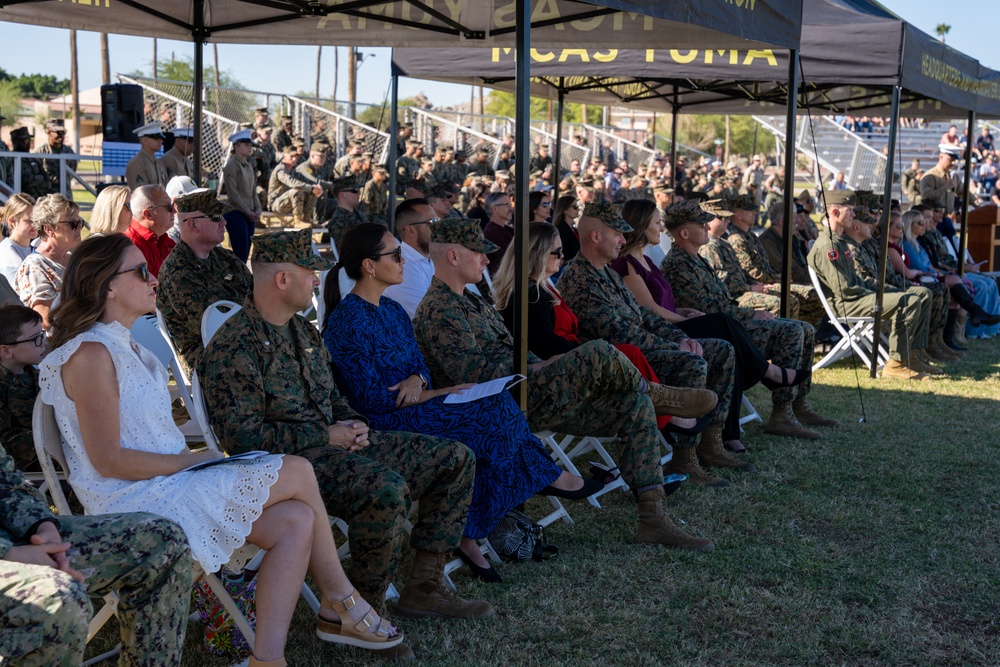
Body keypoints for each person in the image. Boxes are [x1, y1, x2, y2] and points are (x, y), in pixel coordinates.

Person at [40, 234, 407, 666]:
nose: (154, 277)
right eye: (141, 271)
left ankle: (268, 658)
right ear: (107, 286)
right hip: (129, 500)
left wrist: (192, 466)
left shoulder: (127, 346)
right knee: (298, 472)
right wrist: (193, 462)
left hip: (167, 483)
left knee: (297, 519)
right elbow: (108, 460)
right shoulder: (90, 354)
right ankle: (341, 600)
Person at [201, 229, 493, 626]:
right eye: (310, 272)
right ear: (282, 279)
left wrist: (350, 422)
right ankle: (354, 609)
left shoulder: (302, 332)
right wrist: (327, 435)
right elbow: (243, 441)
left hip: (338, 444)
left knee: (454, 458)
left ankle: (424, 585)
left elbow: (330, 395)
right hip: (286, 468)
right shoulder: (235, 345)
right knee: (385, 489)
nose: (318, 280)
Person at [414, 217, 716, 551]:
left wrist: (539, 364)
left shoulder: (470, 299)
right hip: (503, 407)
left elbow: (514, 351)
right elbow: (475, 375)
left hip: (530, 390)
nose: (487, 259)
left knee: (634, 404)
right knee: (600, 351)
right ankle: (661, 395)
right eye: (478, 253)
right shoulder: (440, 308)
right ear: (453, 257)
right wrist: (543, 365)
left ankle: (653, 517)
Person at [324, 223, 601, 580]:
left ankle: (473, 529)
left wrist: (419, 379)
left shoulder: (391, 311)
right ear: (369, 266)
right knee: (488, 419)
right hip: (385, 423)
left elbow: (418, 366)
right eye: (395, 255)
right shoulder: (346, 321)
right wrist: (434, 392)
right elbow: (372, 398)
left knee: (497, 405)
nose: (404, 260)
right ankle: (530, 485)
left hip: (418, 406)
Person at [0, 441, 194, 667]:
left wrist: (44, 528)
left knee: (163, 541)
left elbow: (5, 480)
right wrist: (9, 553)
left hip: (15, 538)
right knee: (58, 599)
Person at [659, 199, 836, 441]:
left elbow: (723, 302)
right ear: (685, 232)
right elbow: (708, 310)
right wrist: (750, 313)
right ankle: (782, 413)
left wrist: (748, 313)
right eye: (702, 225)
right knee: (791, 332)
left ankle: (797, 404)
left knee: (803, 328)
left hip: (730, 322)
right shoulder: (679, 264)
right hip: (717, 330)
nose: (708, 228)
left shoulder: (695, 258)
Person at [807, 190, 932, 381]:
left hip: (857, 297)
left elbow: (855, 282)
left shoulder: (839, 242)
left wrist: (885, 291)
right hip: (847, 304)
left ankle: (911, 354)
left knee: (922, 294)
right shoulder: (829, 247)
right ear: (833, 212)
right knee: (908, 301)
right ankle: (895, 364)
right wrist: (882, 293)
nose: (853, 214)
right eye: (848, 210)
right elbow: (845, 289)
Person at [157, 191, 253, 376]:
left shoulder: (226, 258)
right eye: (216, 218)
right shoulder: (177, 270)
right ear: (192, 224)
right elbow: (213, 326)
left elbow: (259, 299)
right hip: (209, 361)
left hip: (244, 347)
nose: (224, 222)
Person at [724, 195, 824, 325]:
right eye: (750, 210)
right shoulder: (737, 239)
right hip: (758, 285)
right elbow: (751, 271)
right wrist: (779, 279)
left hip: (769, 281)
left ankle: (804, 331)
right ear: (738, 214)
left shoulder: (750, 236)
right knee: (802, 297)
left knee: (814, 295)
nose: (755, 213)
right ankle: (795, 333)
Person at [16, 194, 83, 329]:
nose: (79, 228)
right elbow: (45, 320)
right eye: (72, 224)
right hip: (57, 345)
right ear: (49, 229)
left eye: (80, 222)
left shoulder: (73, 259)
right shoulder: (35, 266)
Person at [0, 305, 45, 470]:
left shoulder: (41, 374)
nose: (43, 342)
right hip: (28, 468)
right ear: (5, 351)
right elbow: (6, 440)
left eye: (42, 334)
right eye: (35, 339)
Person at [222, 129, 261, 263]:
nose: (249, 147)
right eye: (246, 144)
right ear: (236, 146)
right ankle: (236, 281)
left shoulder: (248, 165)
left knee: (246, 250)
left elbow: (252, 191)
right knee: (240, 250)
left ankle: (241, 279)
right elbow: (233, 195)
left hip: (248, 213)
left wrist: (257, 209)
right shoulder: (231, 166)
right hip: (236, 212)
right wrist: (249, 212)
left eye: (250, 145)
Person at [123, 185, 176, 279]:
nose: (174, 211)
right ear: (148, 214)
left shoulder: (163, 237)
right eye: (169, 207)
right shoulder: (131, 246)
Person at [33, 119, 77, 199]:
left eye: (63, 132)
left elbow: (72, 172)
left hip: (65, 197)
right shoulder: (40, 152)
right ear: (49, 132)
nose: (61, 135)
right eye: (58, 132)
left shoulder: (69, 152)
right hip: (47, 198)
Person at [0, 193, 36, 285]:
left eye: (37, 220)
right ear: (13, 221)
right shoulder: (7, 251)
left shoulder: (34, 246)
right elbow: (20, 291)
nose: (35, 225)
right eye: (29, 221)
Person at [125, 122, 169, 190]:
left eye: (161, 138)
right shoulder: (136, 163)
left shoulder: (158, 162)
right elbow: (140, 194)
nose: (161, 141)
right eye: (156, 138)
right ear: (144, 141)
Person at [482, 191, 513, 273]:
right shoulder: (491, 233)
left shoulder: (507, 229)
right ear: (494, 209)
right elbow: (505, 262)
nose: (511, 209)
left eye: (510, 205)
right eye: (507, 205)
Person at [551, 195, 581, 265]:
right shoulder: (560, 230)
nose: (578, 209)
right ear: (565, 210)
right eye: (575, 207)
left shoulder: (573, 229)